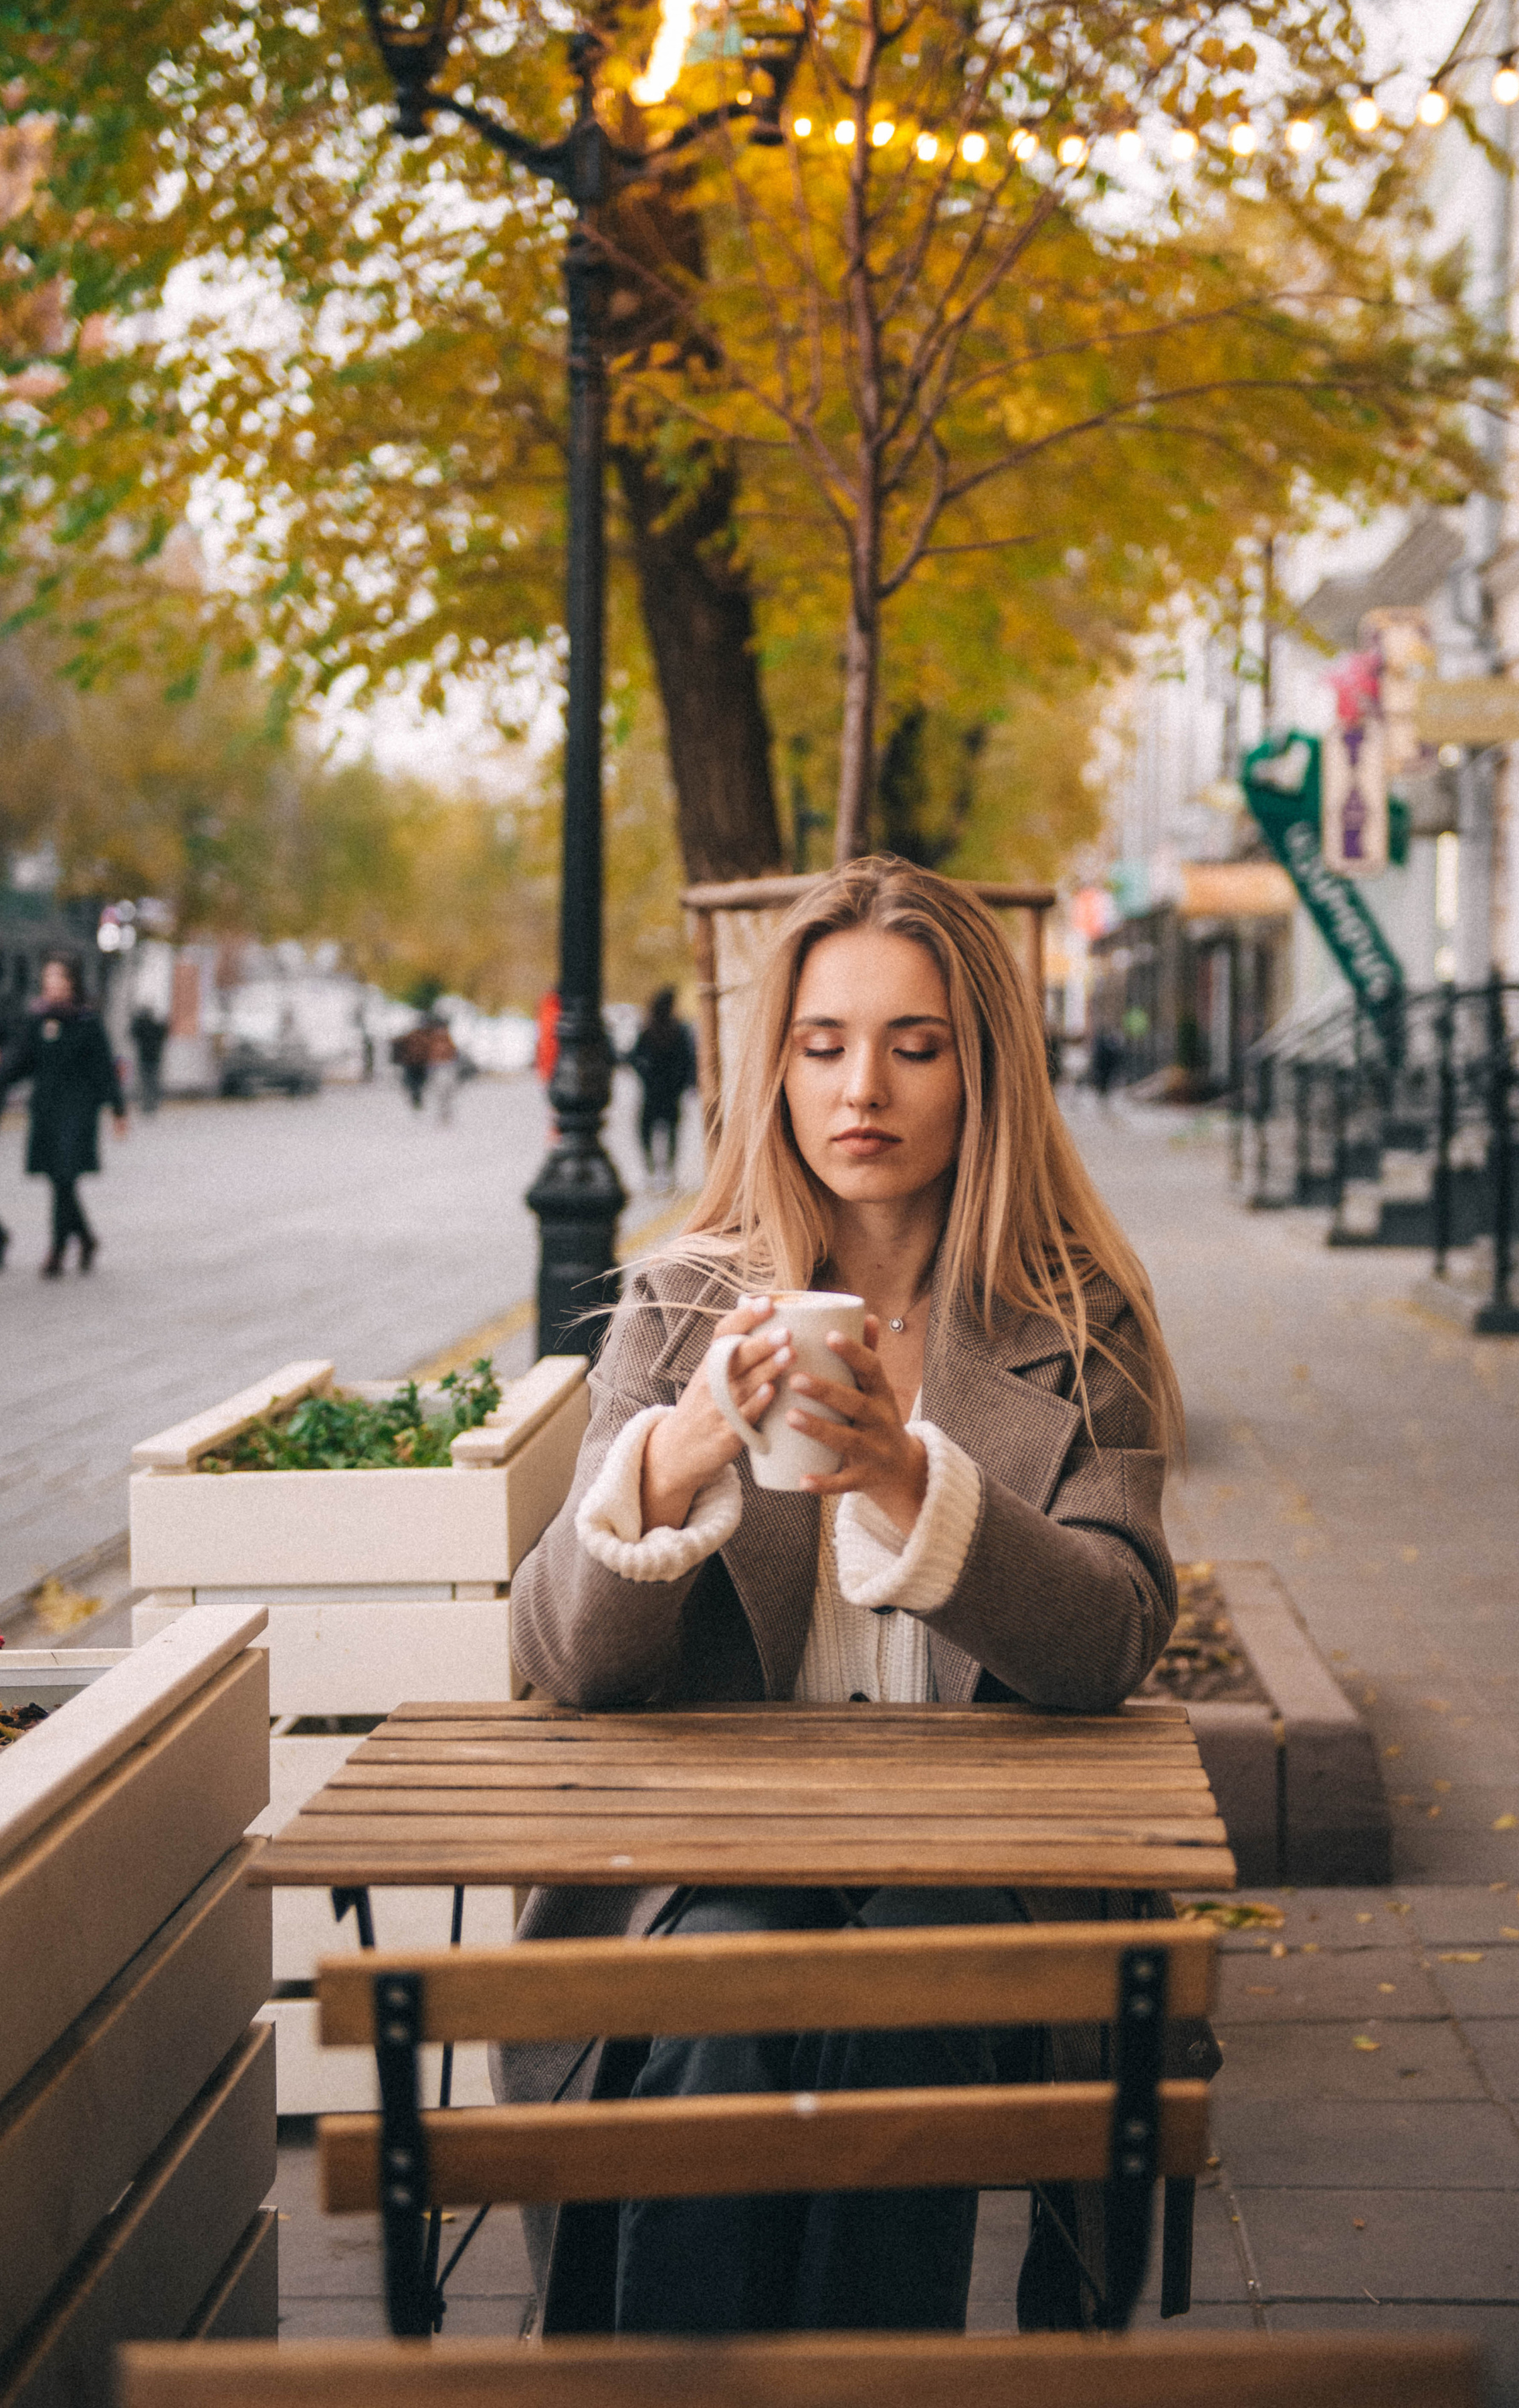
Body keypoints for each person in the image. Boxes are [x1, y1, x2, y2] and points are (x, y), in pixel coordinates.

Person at [496, 857, 1183, 2338]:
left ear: (982, 1071)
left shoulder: (1077, 1321)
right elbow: (560, 1656)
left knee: (904, 2015)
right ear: (777, 1067)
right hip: (705, 1859)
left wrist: (904, 1481)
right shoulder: (677, 1307)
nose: (860, 1086)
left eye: (913, 1045)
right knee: (722, 2004)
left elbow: (1114, 1634)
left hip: (976, 1862)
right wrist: (671, 1453)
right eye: (821, 1045)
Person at [0, 956, 128, 1277]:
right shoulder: (39, 1021)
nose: (52, 984)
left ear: (72, 982)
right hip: (46, 1109)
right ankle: (85, 1238)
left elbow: (104, 1068)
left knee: (64, 1176)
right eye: (48, 978)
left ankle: (57, 1250)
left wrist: (118, 1108)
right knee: (60, 1180)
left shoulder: (87, 1021)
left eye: (58, 978)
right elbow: (20, 1064)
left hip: (79, 1110)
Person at [628, 984, 698, 1187]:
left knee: (648, 1130)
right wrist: (687, 1082)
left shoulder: (653, 1028)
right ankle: (665, 1171)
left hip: (657, 1089)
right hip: (667, 1089)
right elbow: (689, 1059)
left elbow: (635, 1056)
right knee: (667, 1130)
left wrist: (646, 1074)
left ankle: (655, 1170)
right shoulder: (675, 1029)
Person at [128, 1003, 169, 1115]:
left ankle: (148, 1105)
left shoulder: (142, 1027)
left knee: (146, 1083)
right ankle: (152, 1105)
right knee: (152, 1083)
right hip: (154, 1059)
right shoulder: (154, 1027)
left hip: (146, 1059)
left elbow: (133, 1033)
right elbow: (164, 1031)